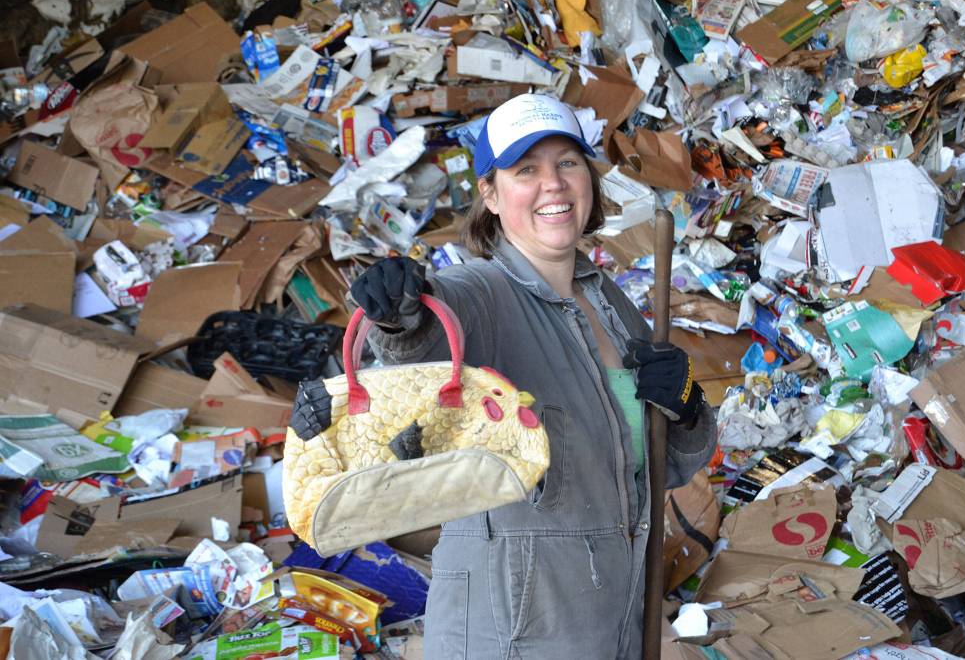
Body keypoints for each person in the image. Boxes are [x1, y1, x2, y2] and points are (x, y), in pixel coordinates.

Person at [300, 94, 717, 658]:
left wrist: (685, 409)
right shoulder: (480, 294)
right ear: (491, 195)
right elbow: (425, 341)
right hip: (513, 629)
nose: (553, 184)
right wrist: (400, 313)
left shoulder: (611, 303)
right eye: (526, 170)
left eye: (567, 163)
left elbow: (662, 468)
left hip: (612, 615)